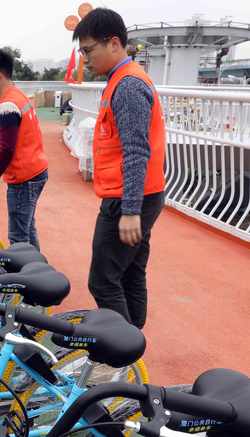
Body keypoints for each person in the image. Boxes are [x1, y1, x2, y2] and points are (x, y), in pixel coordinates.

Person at [74, 8, 166, 329]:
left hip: (128, 198)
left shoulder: (126, 86)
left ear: (113, 44)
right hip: (141, 194)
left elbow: (136, 150)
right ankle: (132, 344)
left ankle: (121, 355)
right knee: (130, 273)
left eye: (88, 50)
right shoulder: (124, 80)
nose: (84, 58)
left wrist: (129, 210)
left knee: (102, 281)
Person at [0, 49, 49, 250]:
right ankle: (38, 272)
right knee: (28, 228)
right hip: (36, 169)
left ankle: (27, 277)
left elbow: (7, 150)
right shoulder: (18, 95)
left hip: (24, 178)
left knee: (18, 236)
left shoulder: (7, 107)